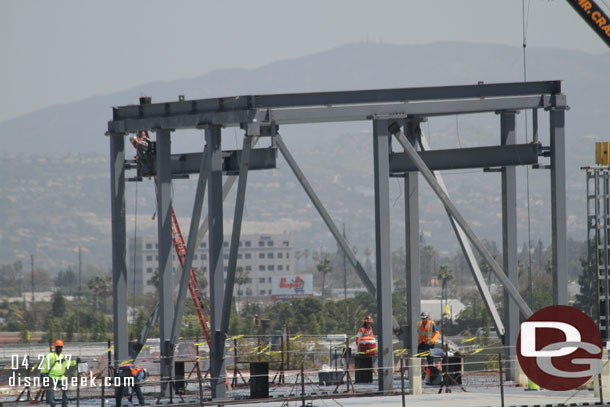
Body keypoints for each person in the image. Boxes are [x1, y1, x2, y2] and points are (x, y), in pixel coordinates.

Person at [40, 339, 79, 407]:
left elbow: (67, 363)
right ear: (55, 347)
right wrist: (43, 374)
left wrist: (75, 362)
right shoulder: (50, 356)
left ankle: (65, 404)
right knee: (50, 390)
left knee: (65, 388)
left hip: (61, 377)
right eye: (58, 347)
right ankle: (53, 404)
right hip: (51, 377)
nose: (60, 348)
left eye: (61, 347)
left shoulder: (62, 356)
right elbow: (45, 364)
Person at [417, 312, 439, 381]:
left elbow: (437, 332)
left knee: (430, 361)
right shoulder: (418, 324)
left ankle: (431, 377)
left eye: (424, 318)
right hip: (421, 344)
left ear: (427, 318)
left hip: (429, 344)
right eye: (422, 318)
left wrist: (433, 340)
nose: (423, 320)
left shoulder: (432, 324)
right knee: (419, 360)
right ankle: (420, 376)